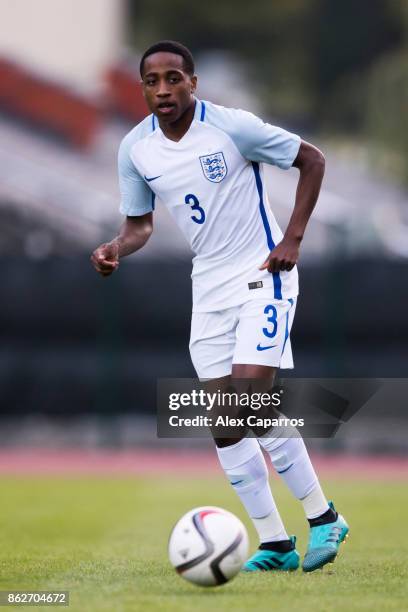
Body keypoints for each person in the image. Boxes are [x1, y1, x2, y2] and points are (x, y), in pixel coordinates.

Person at [91, 40, 349, 573]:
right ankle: (275, 543)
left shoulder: (232, 126)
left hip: (264, 274)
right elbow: (140, 225)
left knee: (252, 400)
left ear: (193, 82)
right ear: (142, 87)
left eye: (173, 78)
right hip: (207, 289)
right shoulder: (135, 148)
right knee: (226, 422)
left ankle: (324, 517)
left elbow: (312, 160)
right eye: (152, 81)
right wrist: (116, 247)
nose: (162, 89)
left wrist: (293, 238)